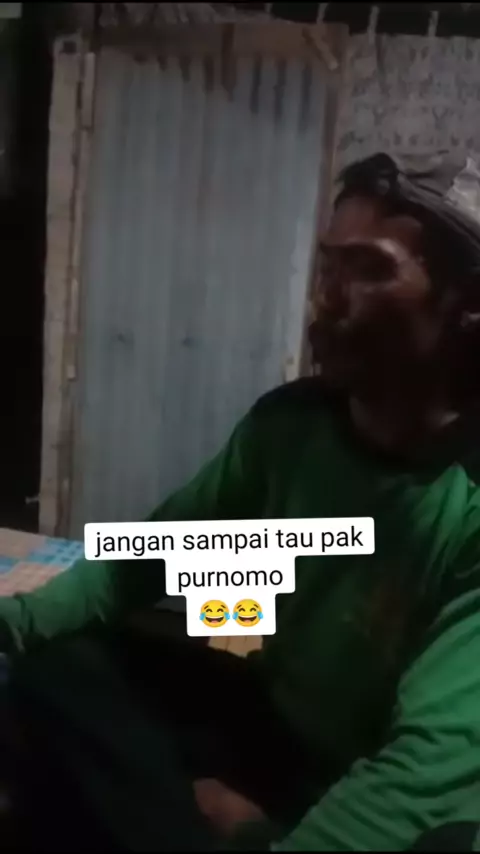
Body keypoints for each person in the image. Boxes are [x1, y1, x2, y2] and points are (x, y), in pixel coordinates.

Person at [2, 152, 480, 852]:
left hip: (381, 787)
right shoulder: (293, 427)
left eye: (370, 270)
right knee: (61, 668)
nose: (327, 298)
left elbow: (426, 769)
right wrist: (11, 625)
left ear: (466, 305)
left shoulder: (465, 501)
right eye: (328, 267)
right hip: (279, 728)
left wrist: (253, 833)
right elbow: (148, 560)